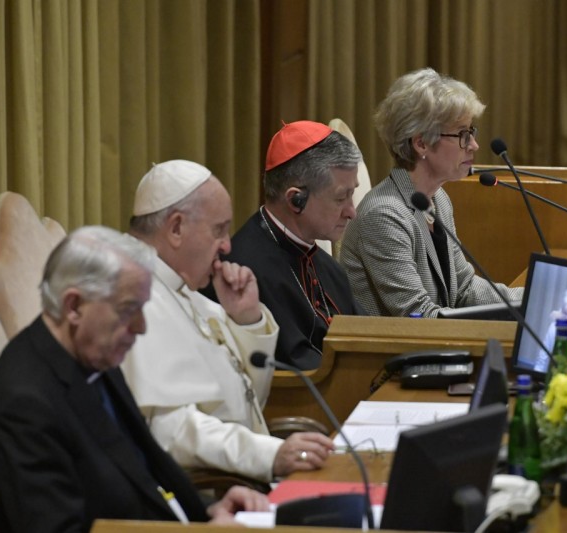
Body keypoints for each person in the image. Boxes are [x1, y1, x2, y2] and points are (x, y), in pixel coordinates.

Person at [0, 226, 270, 532]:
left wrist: (206, 513)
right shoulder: (23, 405)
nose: (141, 327)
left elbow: (146, 470)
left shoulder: (93, 353)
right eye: (129, 310)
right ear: (74, 306)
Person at [121, 160, 334, 485]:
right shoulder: (135, 301)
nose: (227, 245)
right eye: (218, 230)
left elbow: (249, 402)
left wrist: (246, 320)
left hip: (240, 476)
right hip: (209, 493)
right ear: (176, 228)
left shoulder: (183, 290)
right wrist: (269, 455)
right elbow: (171, 432)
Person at [339, 67, 523, 317]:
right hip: (399, 342)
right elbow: (419, 315)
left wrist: (534, 297)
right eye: (462, 134)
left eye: (471, 132)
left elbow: (464, 288)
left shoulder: (438, 199)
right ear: (421, 143)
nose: (474, 145)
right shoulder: (383, 215)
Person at [205, 121, 365, 370]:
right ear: (295, 199)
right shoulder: (244, 270)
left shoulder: (328, 268)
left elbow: (369, 337)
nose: (351, 212)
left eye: (351, 195)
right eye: (340, 198)